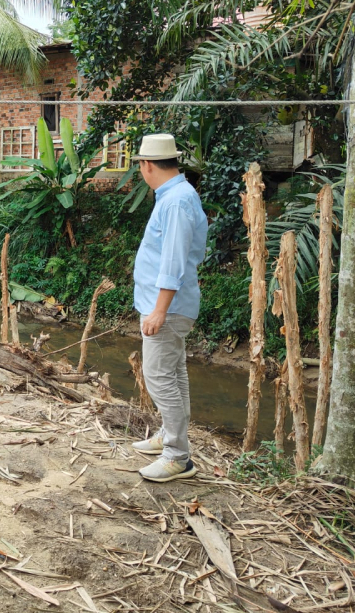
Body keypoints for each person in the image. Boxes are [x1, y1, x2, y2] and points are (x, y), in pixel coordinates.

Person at [129, 134, 208, 483]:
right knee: (174, 374)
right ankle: (169, 435)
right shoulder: (177, 195)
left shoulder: (175, 201)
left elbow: (173, 261)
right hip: (170, 304)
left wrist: (159, 310)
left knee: (160, 378)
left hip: (169, 307)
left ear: (147, 165)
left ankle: (177, 456)